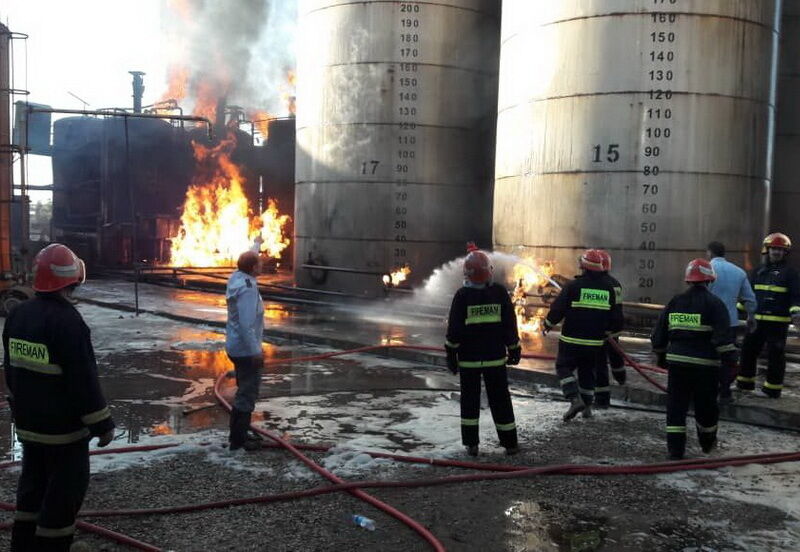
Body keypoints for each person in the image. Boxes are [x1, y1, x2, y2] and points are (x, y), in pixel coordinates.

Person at [3, 244, 115, 551]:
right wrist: (102, 424)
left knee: (31, 492)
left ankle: (22, 546)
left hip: (29, 428)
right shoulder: (69, 322)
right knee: (62, 499)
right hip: (63, 435)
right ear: (72, 280)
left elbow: (11, 373)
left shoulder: (18, 316)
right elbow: (83, 382)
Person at [651, 258, 736, 459]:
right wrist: (731, 362)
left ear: (688, 280)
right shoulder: (715, 304)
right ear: (710, 280)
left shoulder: (675, 301)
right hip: (705, 366)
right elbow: (723, 339)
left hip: (677, 364)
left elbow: (659, 336)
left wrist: (661, 357)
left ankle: (675, 450)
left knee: (676, 407)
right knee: (705, 406)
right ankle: (706, 443)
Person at [445, 243, 521, 456]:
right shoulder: (499, 293)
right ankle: (510, 444)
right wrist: (514, 348)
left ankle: (472, 445)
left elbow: (454, 330)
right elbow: (509, 325)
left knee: (469, 401)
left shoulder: (462, 296)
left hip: (468, 360)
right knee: (500, 400)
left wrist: (451, 354)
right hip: (495, 358)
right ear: (489, 272)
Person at [544, 249, 623, 421]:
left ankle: (574, 399)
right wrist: (609, 332)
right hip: (595, 342)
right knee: (587, 372)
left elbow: (558, 309)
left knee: (563, 367)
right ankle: (587, 407)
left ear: (583, 267)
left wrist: (547, 325)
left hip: (571, 340)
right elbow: (615, 314)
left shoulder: (573, 286)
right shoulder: (608, 288)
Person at [737, 233, 800, 398]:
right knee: (748, 350)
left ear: (785, 252)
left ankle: (772, 389)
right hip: (756, 321)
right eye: (774, 249)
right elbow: (747, 295)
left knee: (776, 355)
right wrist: (737, 310)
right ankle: (745, 383)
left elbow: (796, 296)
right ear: (768, 250)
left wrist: (796, 314)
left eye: (780, 249)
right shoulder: (757, 271)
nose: (777, 252)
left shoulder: (791, 274)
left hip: (778, 323)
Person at [705, 241, 756, 400]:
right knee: (727, 359)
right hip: (730, 324)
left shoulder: (705, 269)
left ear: (709, 253)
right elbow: (750, 299)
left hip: (708, 323)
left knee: (706, 357)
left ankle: (706, 390)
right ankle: (725, 391)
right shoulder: (739, 272)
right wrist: (751, 317)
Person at [226, 250, 265, 451]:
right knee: (247, 394)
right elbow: (246, 324)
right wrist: (255, 351)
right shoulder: (248, 289)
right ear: (252, 268)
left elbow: (247, 259)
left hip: (235, 346)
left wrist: (257, 243)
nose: (263, 264)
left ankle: (238, 432)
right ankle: (239, 440)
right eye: (259, 262)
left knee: (243, 389)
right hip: (245, 350)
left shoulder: (238, 277)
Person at [594, 250, 626, 408]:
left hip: (601, 331)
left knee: (599, 365)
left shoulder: (598, 284)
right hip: (614, 329)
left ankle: (602, 399)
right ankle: (621, 378)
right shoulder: (615, 283)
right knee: (615, 356)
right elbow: (618, 308)